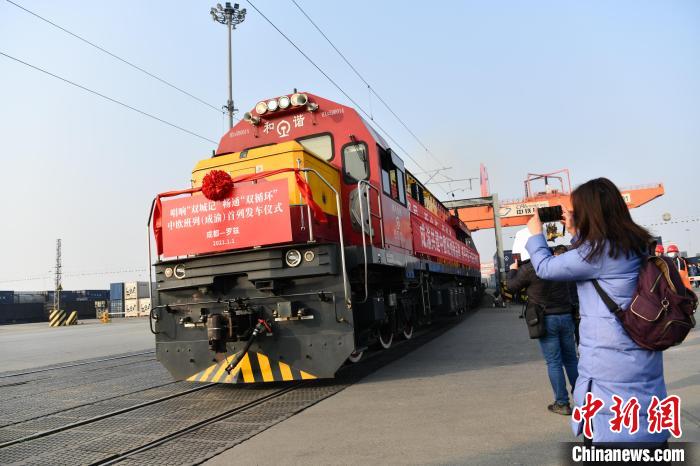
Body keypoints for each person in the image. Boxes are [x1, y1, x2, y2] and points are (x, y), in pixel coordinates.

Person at [524, 177, 668, 444]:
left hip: (610, 366)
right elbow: (589, 257)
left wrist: (535, 235)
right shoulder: (635, 244)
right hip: (640, 351)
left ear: (589, 214)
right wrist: (576, 232)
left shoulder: (598, 253)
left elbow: (545, 267)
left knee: (613, 432)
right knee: (645, 419)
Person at [505, 240, 578, 415]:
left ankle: (562, 403)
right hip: (566, 316)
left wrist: (513, 270)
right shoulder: (562, 264)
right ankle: (585, 400)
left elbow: (511, 287)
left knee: (554, 362)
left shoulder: (530, 268)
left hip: (546, 319)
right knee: (571, 359)